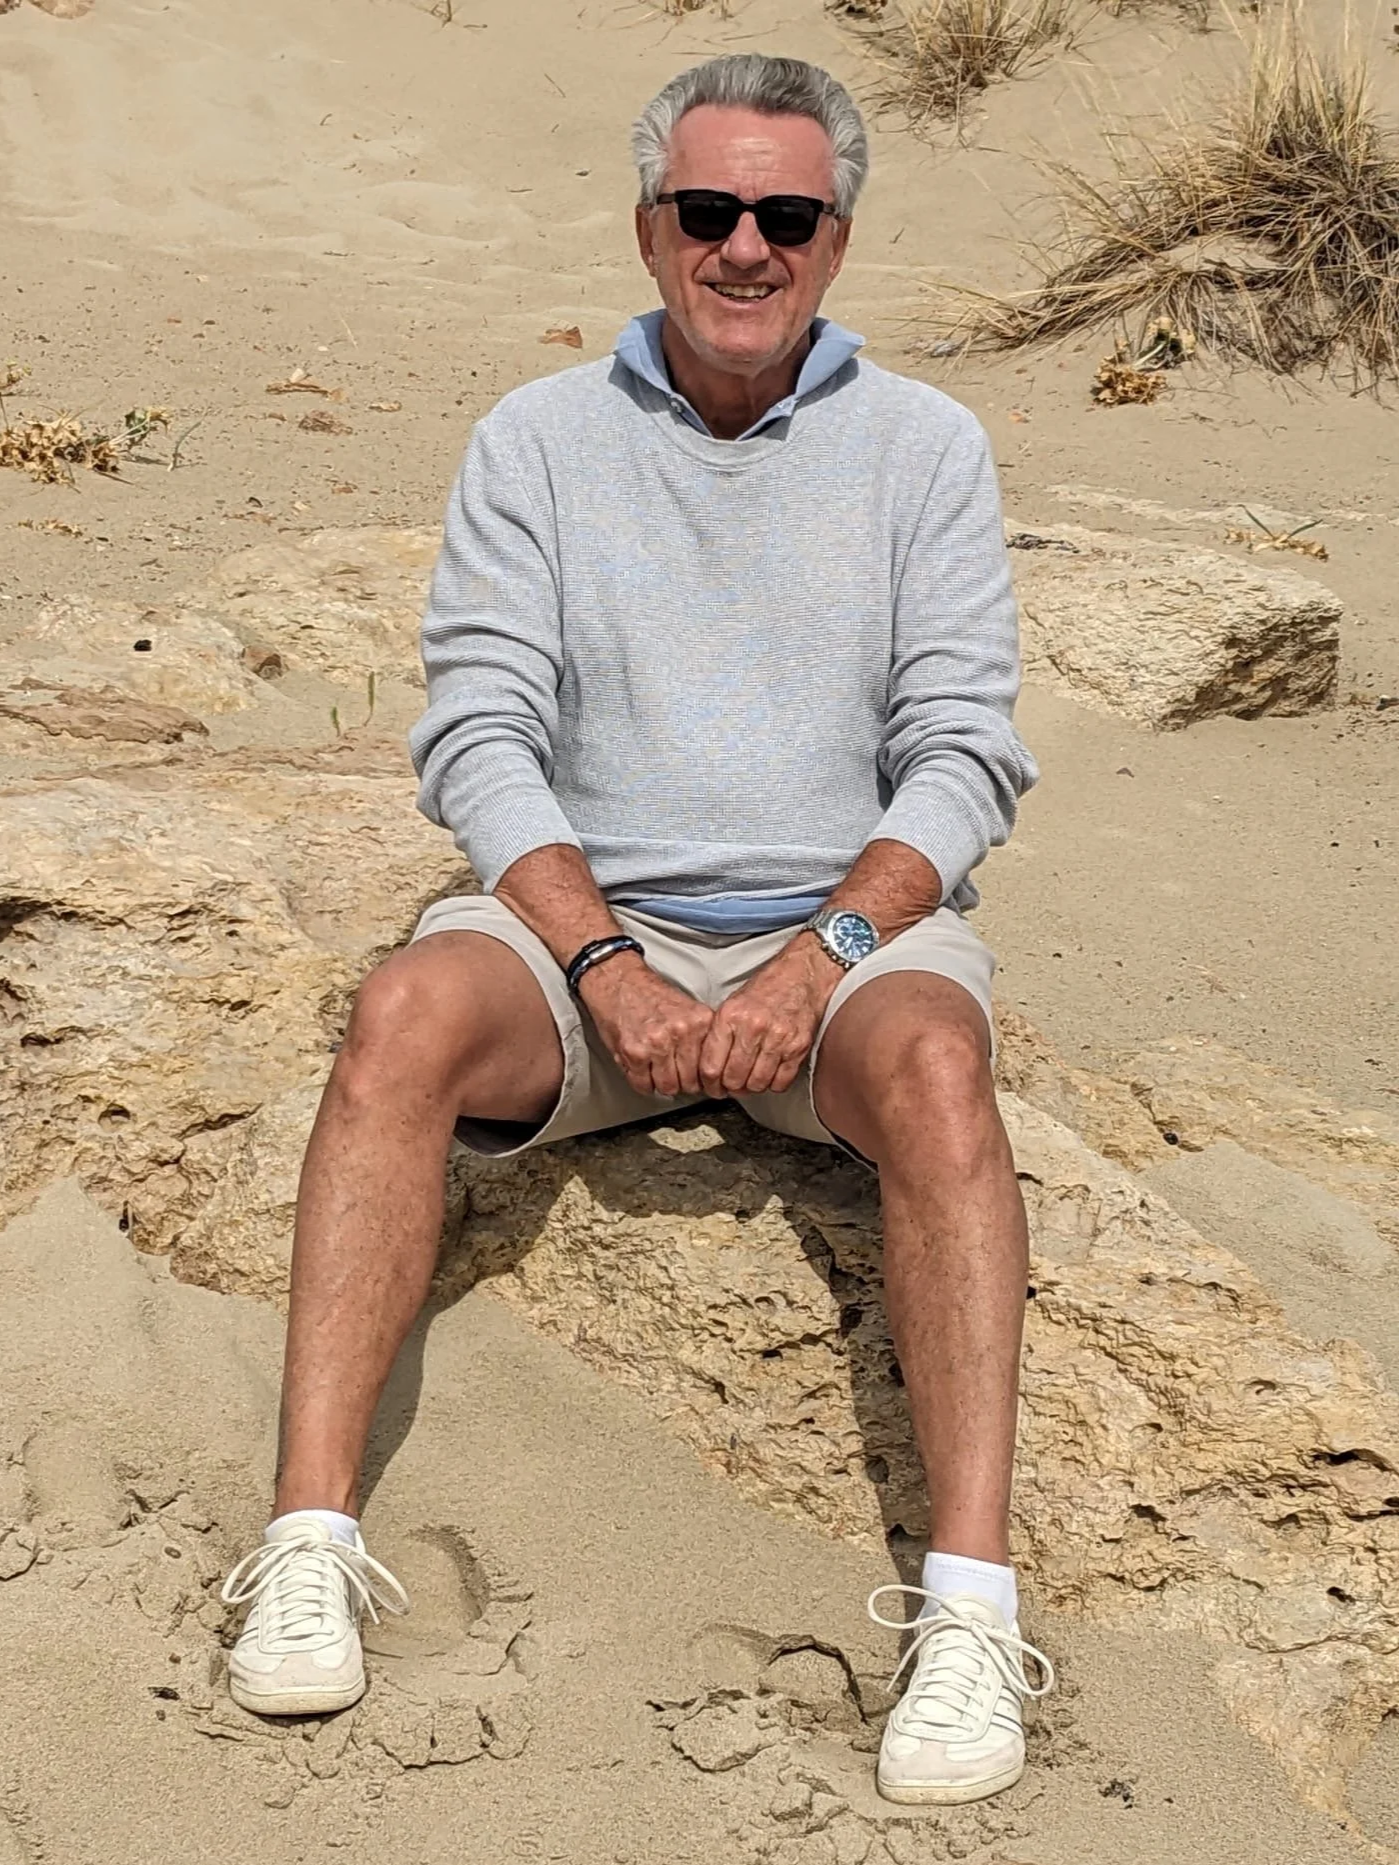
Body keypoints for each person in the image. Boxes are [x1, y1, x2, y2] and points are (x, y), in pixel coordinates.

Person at [217, 51, 1052, 1806]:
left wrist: (816, 962)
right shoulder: (538, 440)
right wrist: (604, 961)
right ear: (648, 227)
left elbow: (962, 752)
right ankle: (306, 1538)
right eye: (708, 209)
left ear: (836, 239)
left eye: (786, 214)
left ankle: (969, 1613)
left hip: (836, 946)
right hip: (581, 939)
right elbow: (478, 730)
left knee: (939, 1075)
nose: (745, 246)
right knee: (398, 1021)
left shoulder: (923, 448)